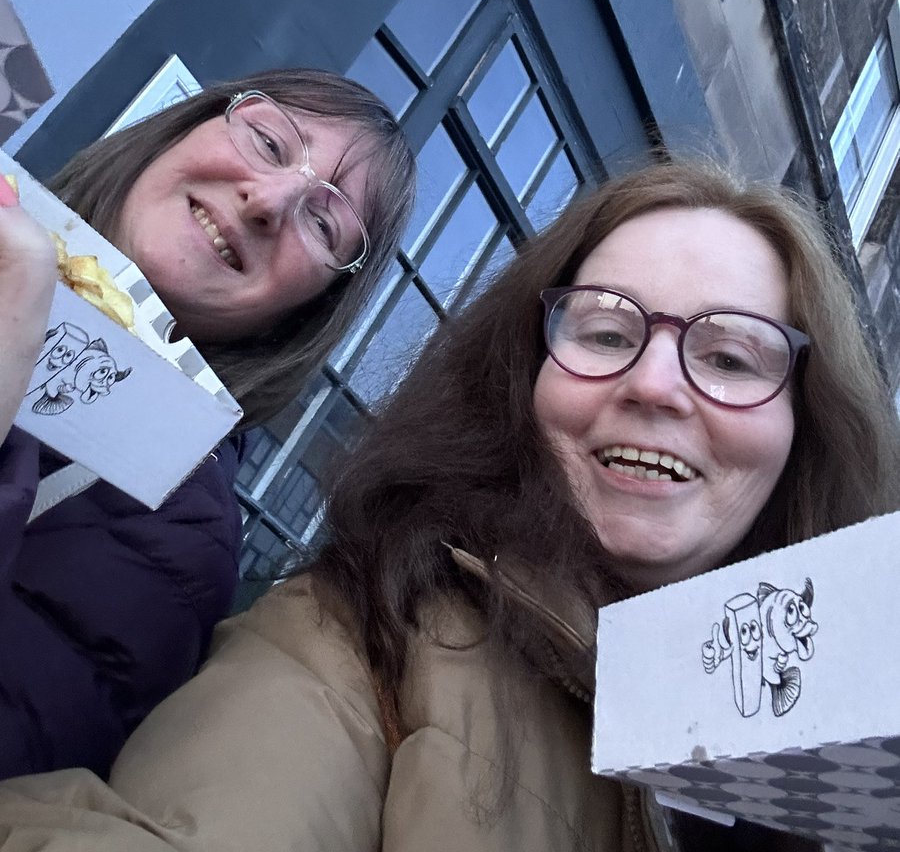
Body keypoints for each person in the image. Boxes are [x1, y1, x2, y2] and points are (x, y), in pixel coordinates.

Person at [0, 159, 896, 852]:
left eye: (733, 358)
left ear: (804, 427)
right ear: (524, 379)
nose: (656, 383)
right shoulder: (361, 637)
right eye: (606, 331)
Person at [0, 67, 415, 780]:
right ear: (187, 124)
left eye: (324, 222)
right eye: (269, 141)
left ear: (308, 310)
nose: (270, 199)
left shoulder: (179, 542)